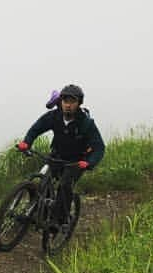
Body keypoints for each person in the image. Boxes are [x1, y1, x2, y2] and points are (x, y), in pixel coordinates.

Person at [16, 84, 105, 231]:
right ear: (61, 102)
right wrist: (26, 142)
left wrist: (89, 163)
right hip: (56, 156)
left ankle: (60, 220)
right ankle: (36, 212)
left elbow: (99, 147)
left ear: (79, 103)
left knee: (64, 185)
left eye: (72, 102)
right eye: (65, 101)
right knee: (42, 179)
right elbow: (36, 128)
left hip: (76, 162)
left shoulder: (86, 123)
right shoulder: (54, 116)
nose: (68, 105)